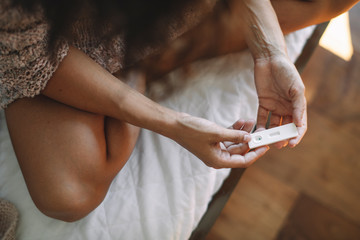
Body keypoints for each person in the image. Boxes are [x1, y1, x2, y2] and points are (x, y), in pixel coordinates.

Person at [0, 0, 358, 222]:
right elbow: (28, 55)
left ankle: (151, 54)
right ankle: (145, 61)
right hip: (50, 39)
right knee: (68, 195)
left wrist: (270, 52)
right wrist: (172, 122)